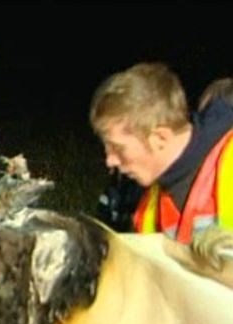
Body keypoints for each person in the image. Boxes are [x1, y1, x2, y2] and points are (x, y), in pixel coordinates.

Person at [89, 62, 233, 244]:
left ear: (160, 138)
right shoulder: (148, 211)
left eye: (118, 148)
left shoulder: (228, 161)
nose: (110, 161)